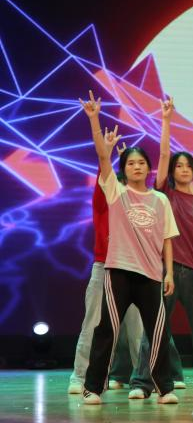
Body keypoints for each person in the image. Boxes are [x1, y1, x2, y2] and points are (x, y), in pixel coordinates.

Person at [79, 91, 179, 405]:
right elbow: (102, 159)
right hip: (119, 271)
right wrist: (95, 120)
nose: (137, 166)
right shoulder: (117, 193)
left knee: (158, 332)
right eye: (131, 163)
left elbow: (167, 239)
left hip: (151, 275)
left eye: (141, 163)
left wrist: (169, 273)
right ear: (124, 169)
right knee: (106, 330)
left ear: (148, 168)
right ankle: (92, 387)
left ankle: (165, 388)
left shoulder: (160, 200)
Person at [129, 98, 193, 399]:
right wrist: (166, 120)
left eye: (188, 166)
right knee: (155, 328)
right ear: (172, 172)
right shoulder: (165, 194)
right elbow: (163, 154)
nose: (183, 169)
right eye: (179, 166)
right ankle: (141, 383)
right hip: (166, 271)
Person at [68, 112, 143, 395]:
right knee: (93, 324)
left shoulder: (140, 202)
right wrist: (99, 129)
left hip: (134, 269)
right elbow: (103, 163)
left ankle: (142, 380)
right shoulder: (105, 197)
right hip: (105, 266)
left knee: (138, 330)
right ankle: (80, 377)